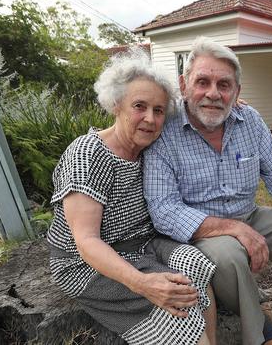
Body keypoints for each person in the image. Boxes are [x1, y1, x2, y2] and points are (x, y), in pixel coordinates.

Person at [144, 37, 272, 345]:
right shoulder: (166, 130)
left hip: (248, 214)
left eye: (224, 85)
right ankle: (264, 333)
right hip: (203, 230)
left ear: (236, 91)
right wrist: (233, 229)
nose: (213, 93)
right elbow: (164, 209)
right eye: (203, 82)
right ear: (184, 84)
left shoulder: (249, 120)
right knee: (228, 258)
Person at [46, 50, 217, 345]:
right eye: (139, 106)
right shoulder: (88, 154)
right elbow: (86, 242)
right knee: (181, 313)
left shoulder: (150, 145)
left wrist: (231, 109)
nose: (150, 119)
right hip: (86, 264)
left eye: (159, 110)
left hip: (143, 245)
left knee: (197, 265)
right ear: (116, 105)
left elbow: (196, 121)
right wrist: (144, 284)